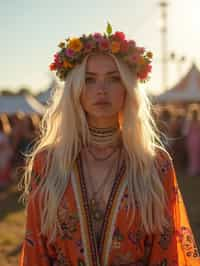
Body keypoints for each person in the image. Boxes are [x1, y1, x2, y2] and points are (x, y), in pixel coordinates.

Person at [19, 23, 200, 265]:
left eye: (113, 79)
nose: (101, 89)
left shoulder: (156, 163)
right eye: (90, 80)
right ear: (76, 89)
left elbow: (166, 252)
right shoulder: (48, 161)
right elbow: (35, 251)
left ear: (127, 89)